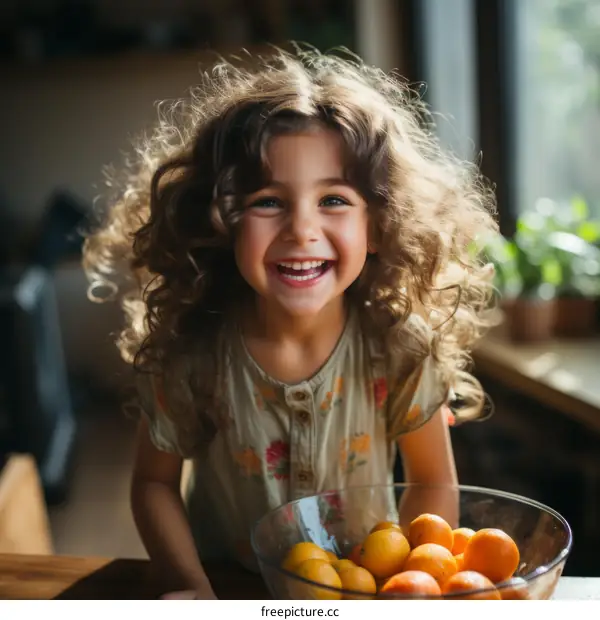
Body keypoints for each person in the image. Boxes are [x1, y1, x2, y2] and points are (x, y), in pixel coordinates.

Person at [82, 46, 498, 599]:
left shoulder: (400, 347)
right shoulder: (192, 351)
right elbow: (154, 484)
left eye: (332, 199)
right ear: (220, 221)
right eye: (267, 202)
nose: (302, 229)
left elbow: (431, 482)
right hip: (230, 593)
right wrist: (189, 586)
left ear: (378, 226)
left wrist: (411, 586)